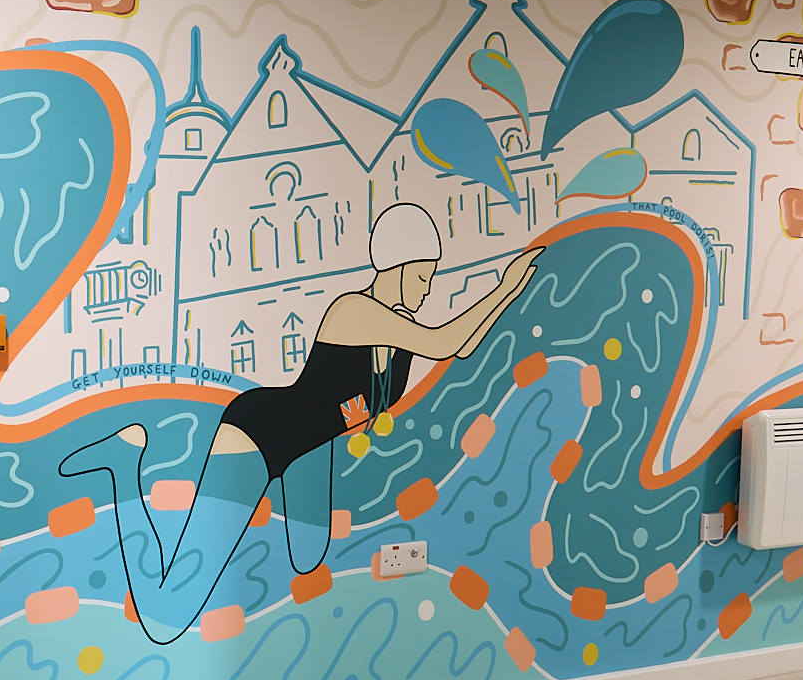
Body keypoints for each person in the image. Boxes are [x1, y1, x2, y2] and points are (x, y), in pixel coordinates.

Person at [60, 204, 540, 644]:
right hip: (259, 433)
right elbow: (443, 341)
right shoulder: (355, 312)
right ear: (395, 268)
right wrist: (503, 287)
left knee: (309, 556)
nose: (427, 289)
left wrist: (512, 289)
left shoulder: (398, 328)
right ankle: (123, 464)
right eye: (421, 276)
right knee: (167, 616)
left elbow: (461, 346)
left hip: (313, 444)